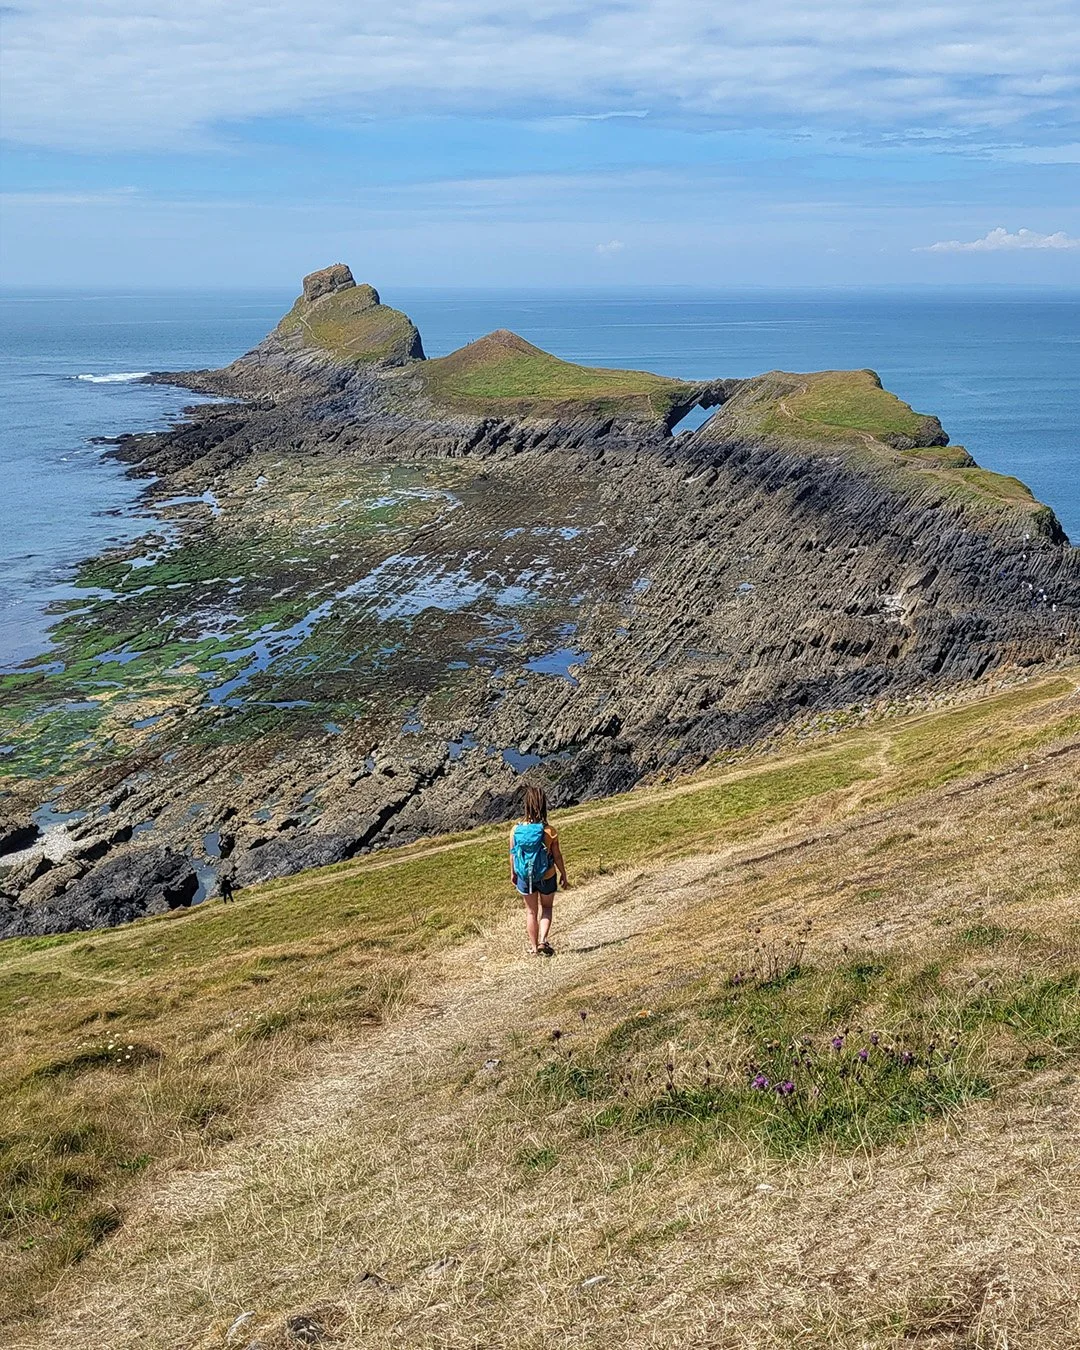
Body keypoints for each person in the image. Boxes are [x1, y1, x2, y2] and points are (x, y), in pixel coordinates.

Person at [509, 785, 568, 956]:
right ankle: (543, 940)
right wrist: (563, 874)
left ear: (526, 805)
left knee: (531, 912)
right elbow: (557, 856)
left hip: (524, 877)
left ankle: (533, 948)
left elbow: (512, 855)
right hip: (547, 875)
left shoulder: (515, 830)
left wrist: (513, 874)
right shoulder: (549, 831)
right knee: (547, 908)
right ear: (543, 805)